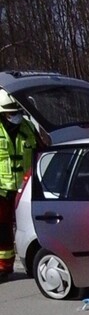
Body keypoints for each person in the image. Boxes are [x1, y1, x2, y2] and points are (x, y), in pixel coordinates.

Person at [0, 90, 36, 278]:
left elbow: (40, 151)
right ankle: (5, 267)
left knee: (30, 226)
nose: (15, 116)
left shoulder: (28, 128)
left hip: (26, 189)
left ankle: (32, 263)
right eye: (10, 112)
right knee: (2, 229)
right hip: (2, 191)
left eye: (16, 111)